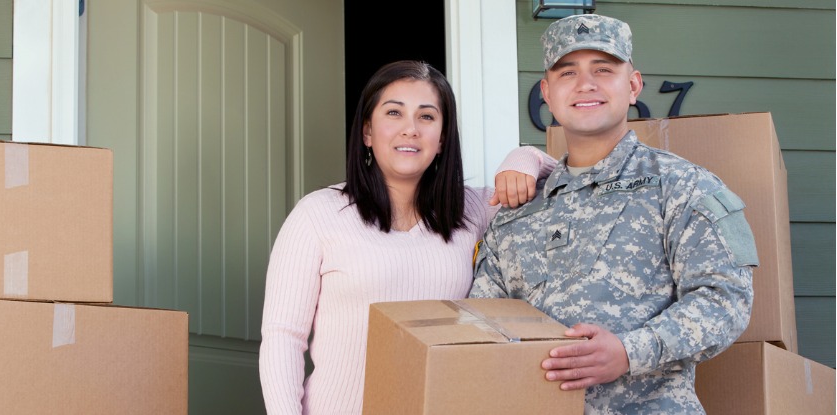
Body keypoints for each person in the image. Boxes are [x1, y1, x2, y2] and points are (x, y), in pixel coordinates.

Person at [470, 14, 758, 413]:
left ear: (634, 85)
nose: (586, 84)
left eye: (603, 69)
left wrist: (628, 351)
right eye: (567, 72)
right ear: (547, 93)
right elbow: (483, 326)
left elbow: (726, 299)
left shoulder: (683, 186)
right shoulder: (516, 214)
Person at [259, 60, 557, 414]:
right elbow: (283, 338)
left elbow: (566, 182)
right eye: (394, 113)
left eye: (427, 117)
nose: (410, 129)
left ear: (443, 138)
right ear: (368, 132)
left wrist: (523, 157)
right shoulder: (318, 213)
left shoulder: (472, 211)